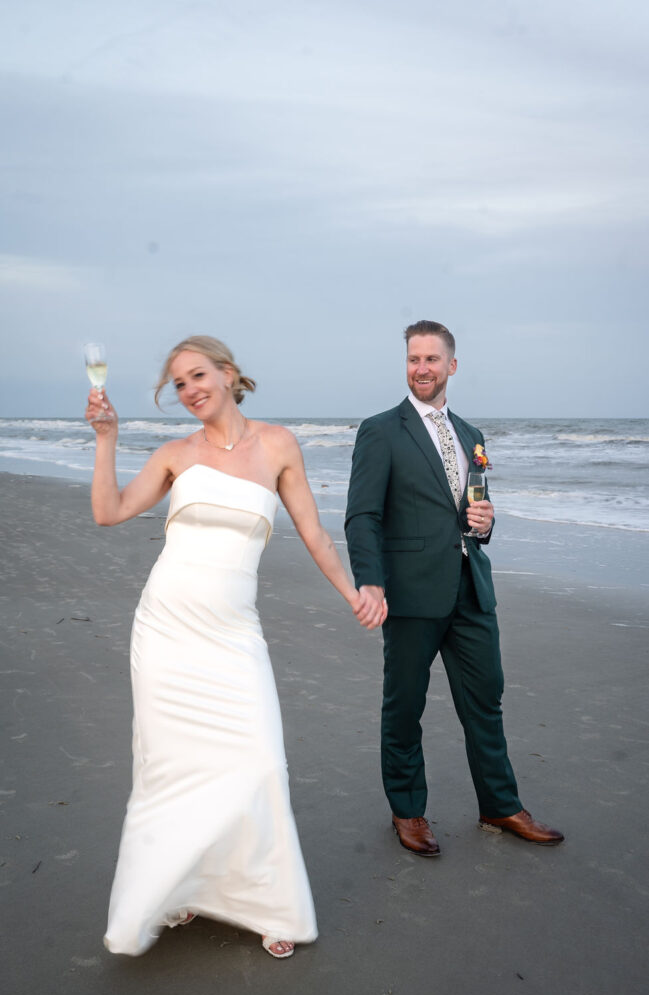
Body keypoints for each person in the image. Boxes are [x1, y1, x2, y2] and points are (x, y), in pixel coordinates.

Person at [86, 335, 375, 960]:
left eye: (198, 376)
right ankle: (182, 884)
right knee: (172, 770)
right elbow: (108, 512)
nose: (190, 390)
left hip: (232, 632)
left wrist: (355, 593)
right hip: (165, 629)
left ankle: (269, 904)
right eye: (179, 384)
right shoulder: (173, 454)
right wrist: (107, 439)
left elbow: (315, 535)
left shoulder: (278, 445)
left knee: (259, 763)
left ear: (228, 374)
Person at [344, 320, 563, 857]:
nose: (422, 368)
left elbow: (469, 513)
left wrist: (485, 523)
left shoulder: (471, 435)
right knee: (405, 707)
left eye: (432, 360)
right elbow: (362, 517)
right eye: (414, 359)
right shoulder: (381, 430)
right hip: (411, 594)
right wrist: (370, 581)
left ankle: (500, 804)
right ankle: (408, 812)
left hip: (471, 590)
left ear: (452, 366)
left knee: (486, 700)